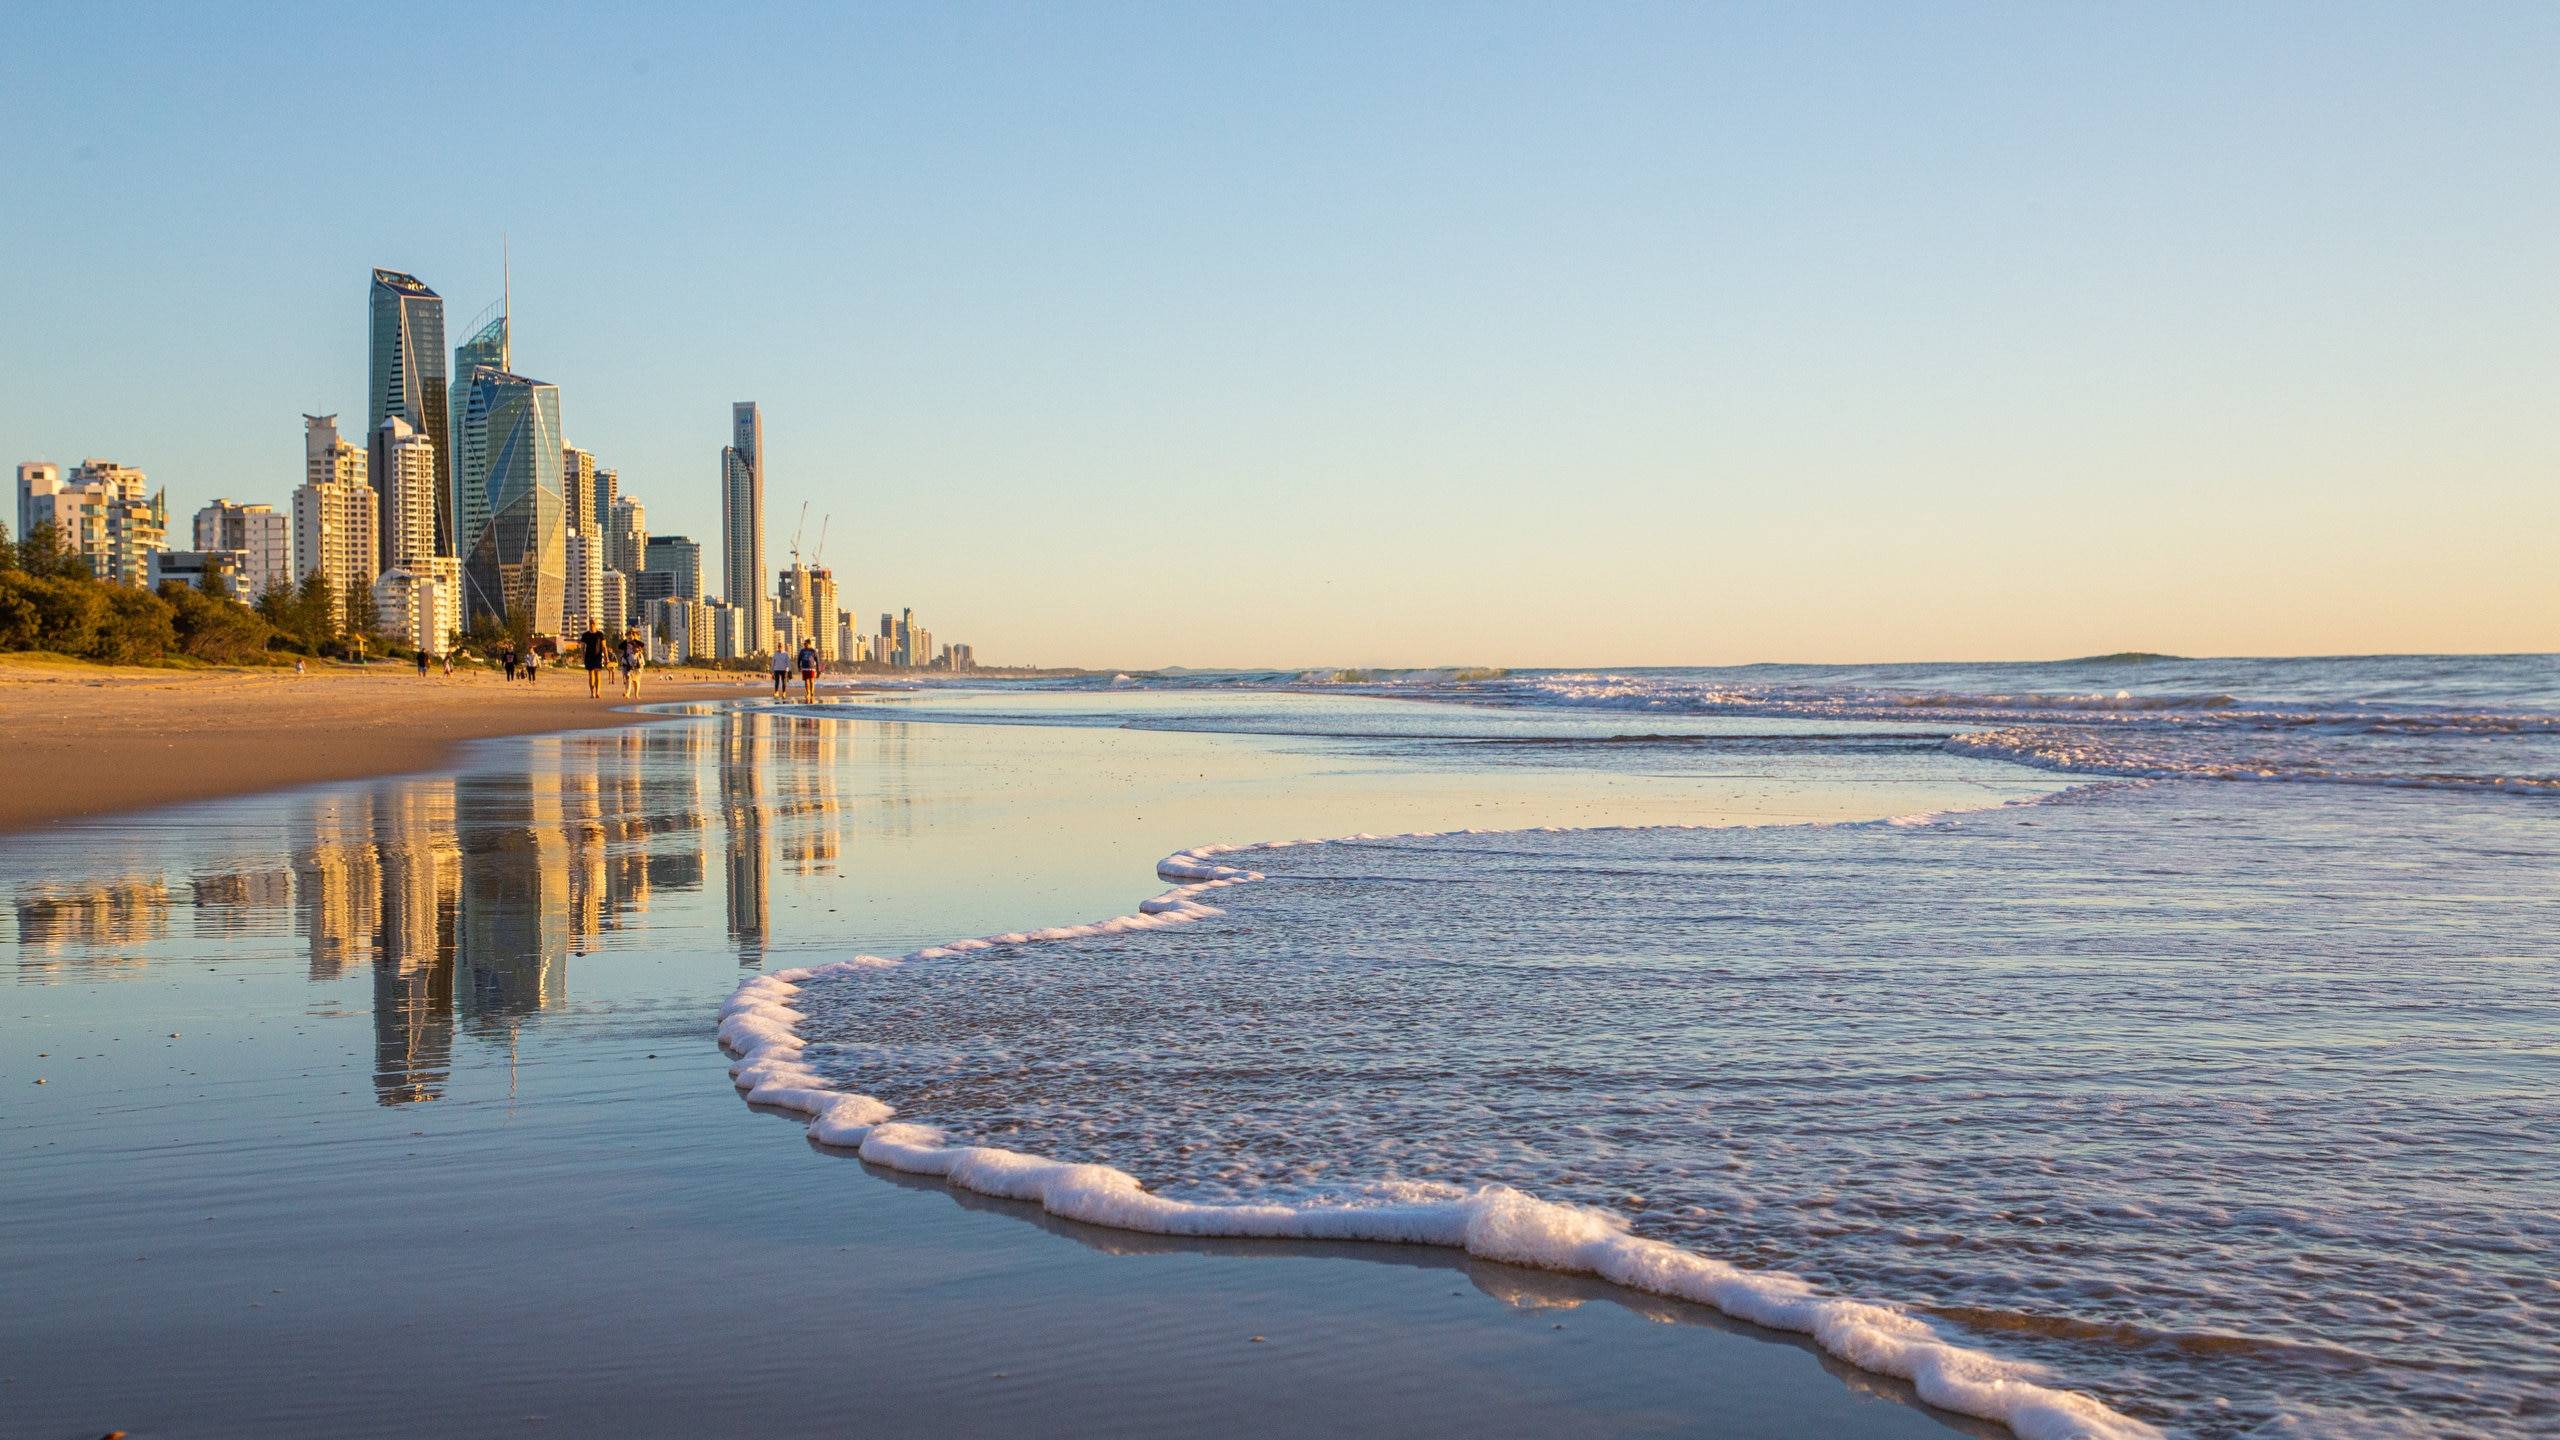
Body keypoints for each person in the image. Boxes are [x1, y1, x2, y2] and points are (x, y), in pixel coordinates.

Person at [579, 620, 607, 699]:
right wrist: (583, 657)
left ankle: (597, 692)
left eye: (593, 623)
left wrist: (606, 657)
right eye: (590, 623)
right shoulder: (585, 635)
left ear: (597, 624)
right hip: (588, 657)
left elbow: (604, 647)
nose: (592, 624)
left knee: (598, 675)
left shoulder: (600, 634)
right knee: (591, 675)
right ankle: (592, 692)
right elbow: (582, 648)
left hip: (598, 657)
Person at [620, 631, 646, 698]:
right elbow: (619, 646)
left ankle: (636, 695)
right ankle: (627, 694)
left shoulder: (637, 642)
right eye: (628, 635)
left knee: (636, 680)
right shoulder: (626, 643)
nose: (629, 637)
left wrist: (634, 640)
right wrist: (626, 641)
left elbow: (642, 644)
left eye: (631, 635)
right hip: (627, 663)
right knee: (628, 678)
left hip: (637, 664)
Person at [797, 639, 821, 703]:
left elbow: (817, 661)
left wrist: (818, 670)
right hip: (804, 668)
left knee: (812, 681)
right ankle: (808, 693)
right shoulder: (802, 651)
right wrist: (799, 667)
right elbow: (799, 659)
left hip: (812, 668)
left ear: (809, 644)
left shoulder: (813, 651)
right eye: (804, 644)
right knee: (806, 681)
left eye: (805, 644)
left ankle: (812, 692)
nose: (804, 645)